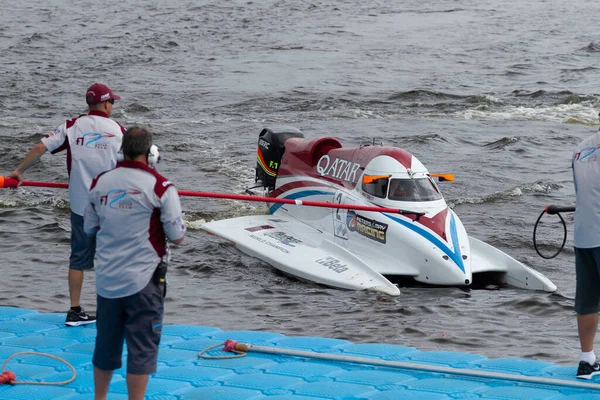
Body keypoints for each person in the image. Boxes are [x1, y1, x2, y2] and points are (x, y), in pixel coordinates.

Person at [9, 83, 125, 326]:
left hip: (81, 205)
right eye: (112, 102)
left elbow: (41, 147)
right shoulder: (119, 131)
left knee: (78, 259)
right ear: (106, 104)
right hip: (110, 206)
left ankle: (75, 311)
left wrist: (19, 171)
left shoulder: (72, 126)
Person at [84, 127, 186, 400]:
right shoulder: (161, 187)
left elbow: (89, 228)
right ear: (150, 154)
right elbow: (177, 237)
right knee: (142, 349)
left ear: (121, 151)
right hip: (144, 282)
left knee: (105, 347)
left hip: (106, 282)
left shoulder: (99, 183)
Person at [572, 133, 600, 379]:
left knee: (588, 300)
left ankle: (586, 360)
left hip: (584, 236)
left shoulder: (581, 148)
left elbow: (583, 191)